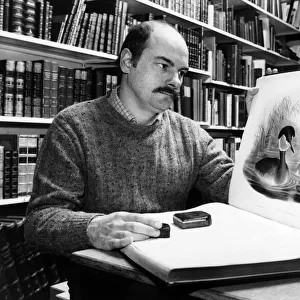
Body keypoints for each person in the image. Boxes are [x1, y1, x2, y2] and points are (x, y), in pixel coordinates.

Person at [24, 20, 263, 299]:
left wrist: (262, 129)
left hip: (173, 282)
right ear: (128, 61)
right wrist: (91, 228)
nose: (175, 81)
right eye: (164, 66)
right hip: (105, 284)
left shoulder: (190, 134)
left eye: (181, 72)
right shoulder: (73, 126)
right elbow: (39, 222)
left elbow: (240, 193)